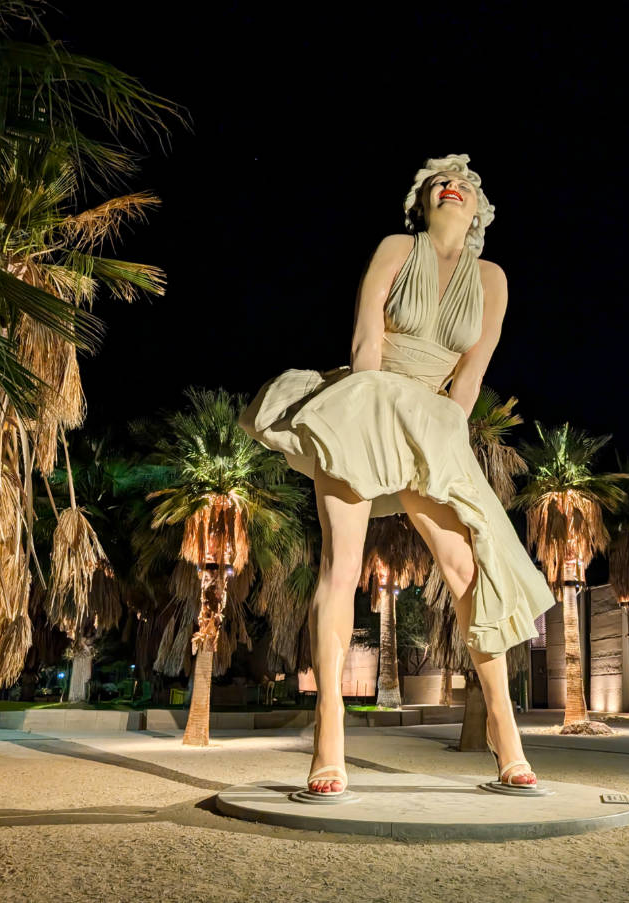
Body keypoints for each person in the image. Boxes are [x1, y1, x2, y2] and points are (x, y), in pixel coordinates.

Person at [240, 154, 554, 796]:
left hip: (433, 419)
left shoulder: (491, 278)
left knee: (467, 567)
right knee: (342, 566)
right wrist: (364, 415)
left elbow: (470, 376)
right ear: (421, 201)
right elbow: (365, 343)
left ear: (479, 207)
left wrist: (446, 438)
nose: (452, 184)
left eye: (463, 182)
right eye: (440, 180)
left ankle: (505, 732)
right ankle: (329, 737)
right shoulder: (395, 248)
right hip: (370, 398)